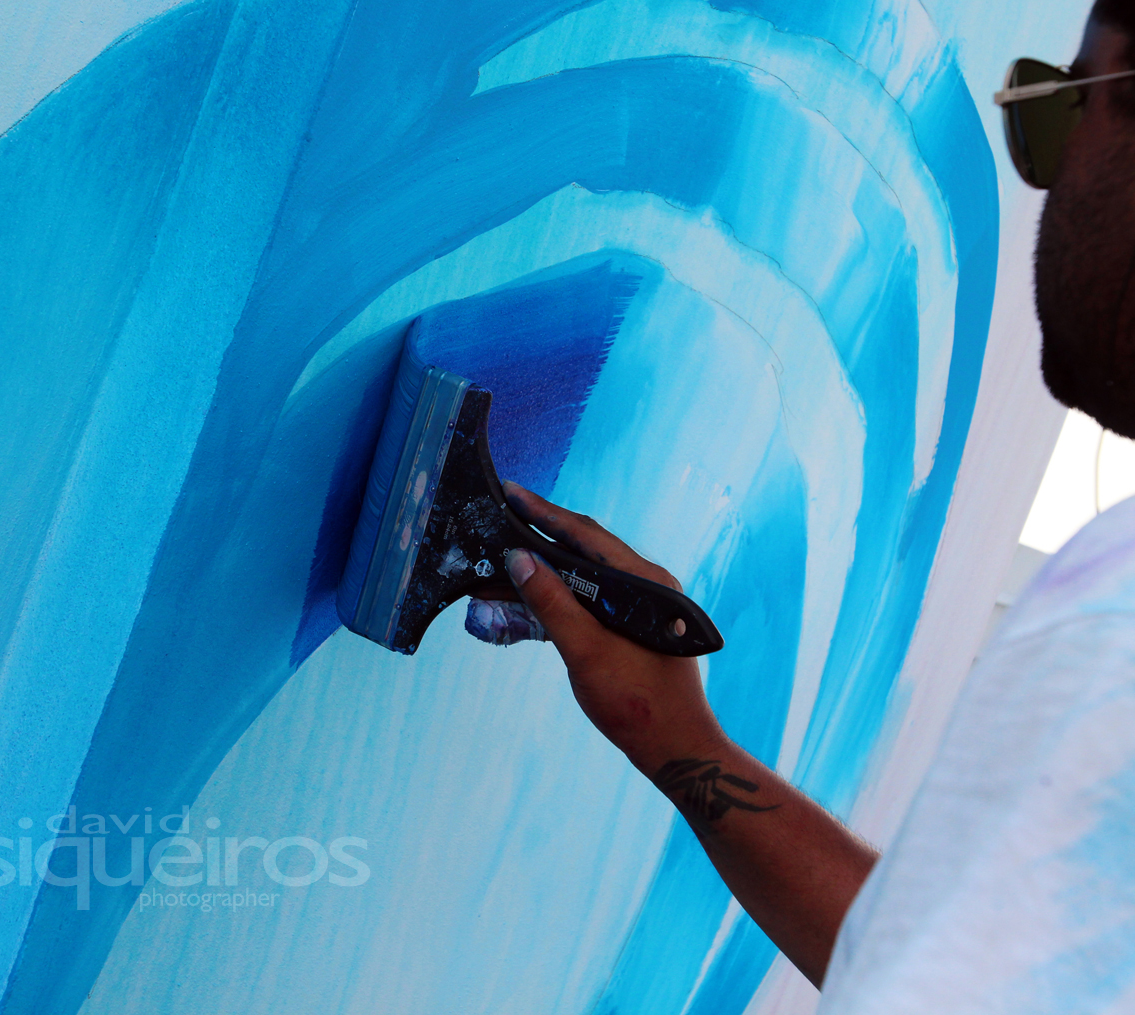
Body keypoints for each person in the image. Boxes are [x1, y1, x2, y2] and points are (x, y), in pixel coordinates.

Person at [466, 2, 1135, 1008]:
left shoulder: (1115, 626)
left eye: (1060, 108)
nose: (1051, 177)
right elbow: (952, 968)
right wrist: (680, 741)